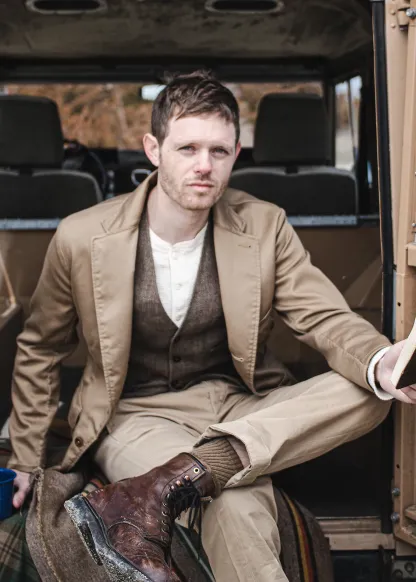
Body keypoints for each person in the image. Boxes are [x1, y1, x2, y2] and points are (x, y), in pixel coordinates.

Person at [7, 71, 416, 582]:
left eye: (219, 151)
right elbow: (40, 349)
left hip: (241, 404)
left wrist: (382, 359)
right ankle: (210, 468)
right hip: (136, 414)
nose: (204, 165)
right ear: (153, 150)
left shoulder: (264, 224)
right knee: (237, 502)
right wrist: (25, 460)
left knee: (372, 388)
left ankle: (182, 475)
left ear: (236, 154)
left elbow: (322, 316)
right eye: (188, 148)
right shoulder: (81, 236)